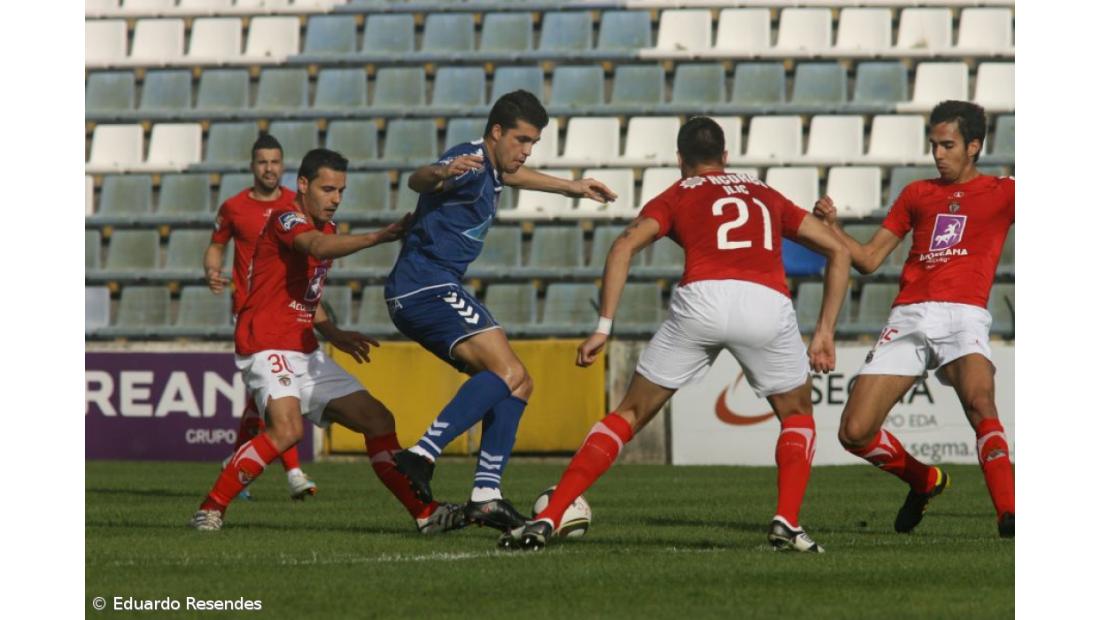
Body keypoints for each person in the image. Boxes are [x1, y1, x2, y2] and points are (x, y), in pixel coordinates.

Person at [504, 116, 851, 552]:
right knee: (797, 414)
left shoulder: (676, 194)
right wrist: (824, 333)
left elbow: (624, 246)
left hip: (701, 300)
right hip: (765, 302)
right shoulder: (764, 192)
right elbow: (838, 249)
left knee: (628, 414)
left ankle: (549, 517)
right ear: (725, 157)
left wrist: (603, 328)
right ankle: (787, 521)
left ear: (680, 161)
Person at [190, 148, 467, 535]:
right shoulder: (287, 218)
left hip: (304, 348)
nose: (336, 198)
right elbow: (315, 248)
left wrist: (335, 333)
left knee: (378, 419)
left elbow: (306, 294)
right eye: (327, 189)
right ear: (302, 185)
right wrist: (380, 236)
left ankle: (425, 513)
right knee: (287, 430)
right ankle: (211, 508)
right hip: (266, 343)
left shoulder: (328, 229)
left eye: (341, 190)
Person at [385, 90, 618, 532]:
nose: (526, 150)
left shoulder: (490, 167)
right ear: (496, 133)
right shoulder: (467, 161)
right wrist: (441, 171)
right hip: (426, 287)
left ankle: (486, 496)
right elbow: (421, 180)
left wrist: (572, 187)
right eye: (522, 140)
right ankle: (421, 455)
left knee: (519, 384)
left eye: (533, 142)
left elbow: (514, 177)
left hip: (425, 289)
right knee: (509, 373)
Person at [812, 100, 1015, 538]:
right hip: (908, 317)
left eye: (948, 145)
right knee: (854, 432)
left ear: (974, 146)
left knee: (981, 405)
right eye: (934, 145)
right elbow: (867, 259)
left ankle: (1009, 515)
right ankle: (924, 481)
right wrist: (833, 226)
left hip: (963, 316)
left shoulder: (1004, 192)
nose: (938, 154)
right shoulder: (916, 194)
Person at [204, 134, 316, 500]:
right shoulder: (234, 207)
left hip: (287, 311)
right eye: (262, 162)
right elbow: (217, 245)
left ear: (284, 165)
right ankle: (294, 472)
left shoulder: (294, 205)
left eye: (275, 161)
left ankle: (236, 463)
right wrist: (213, 270)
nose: (269, 168)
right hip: (252, 313)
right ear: (253, 166)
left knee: (266, 398)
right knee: (275, 397)